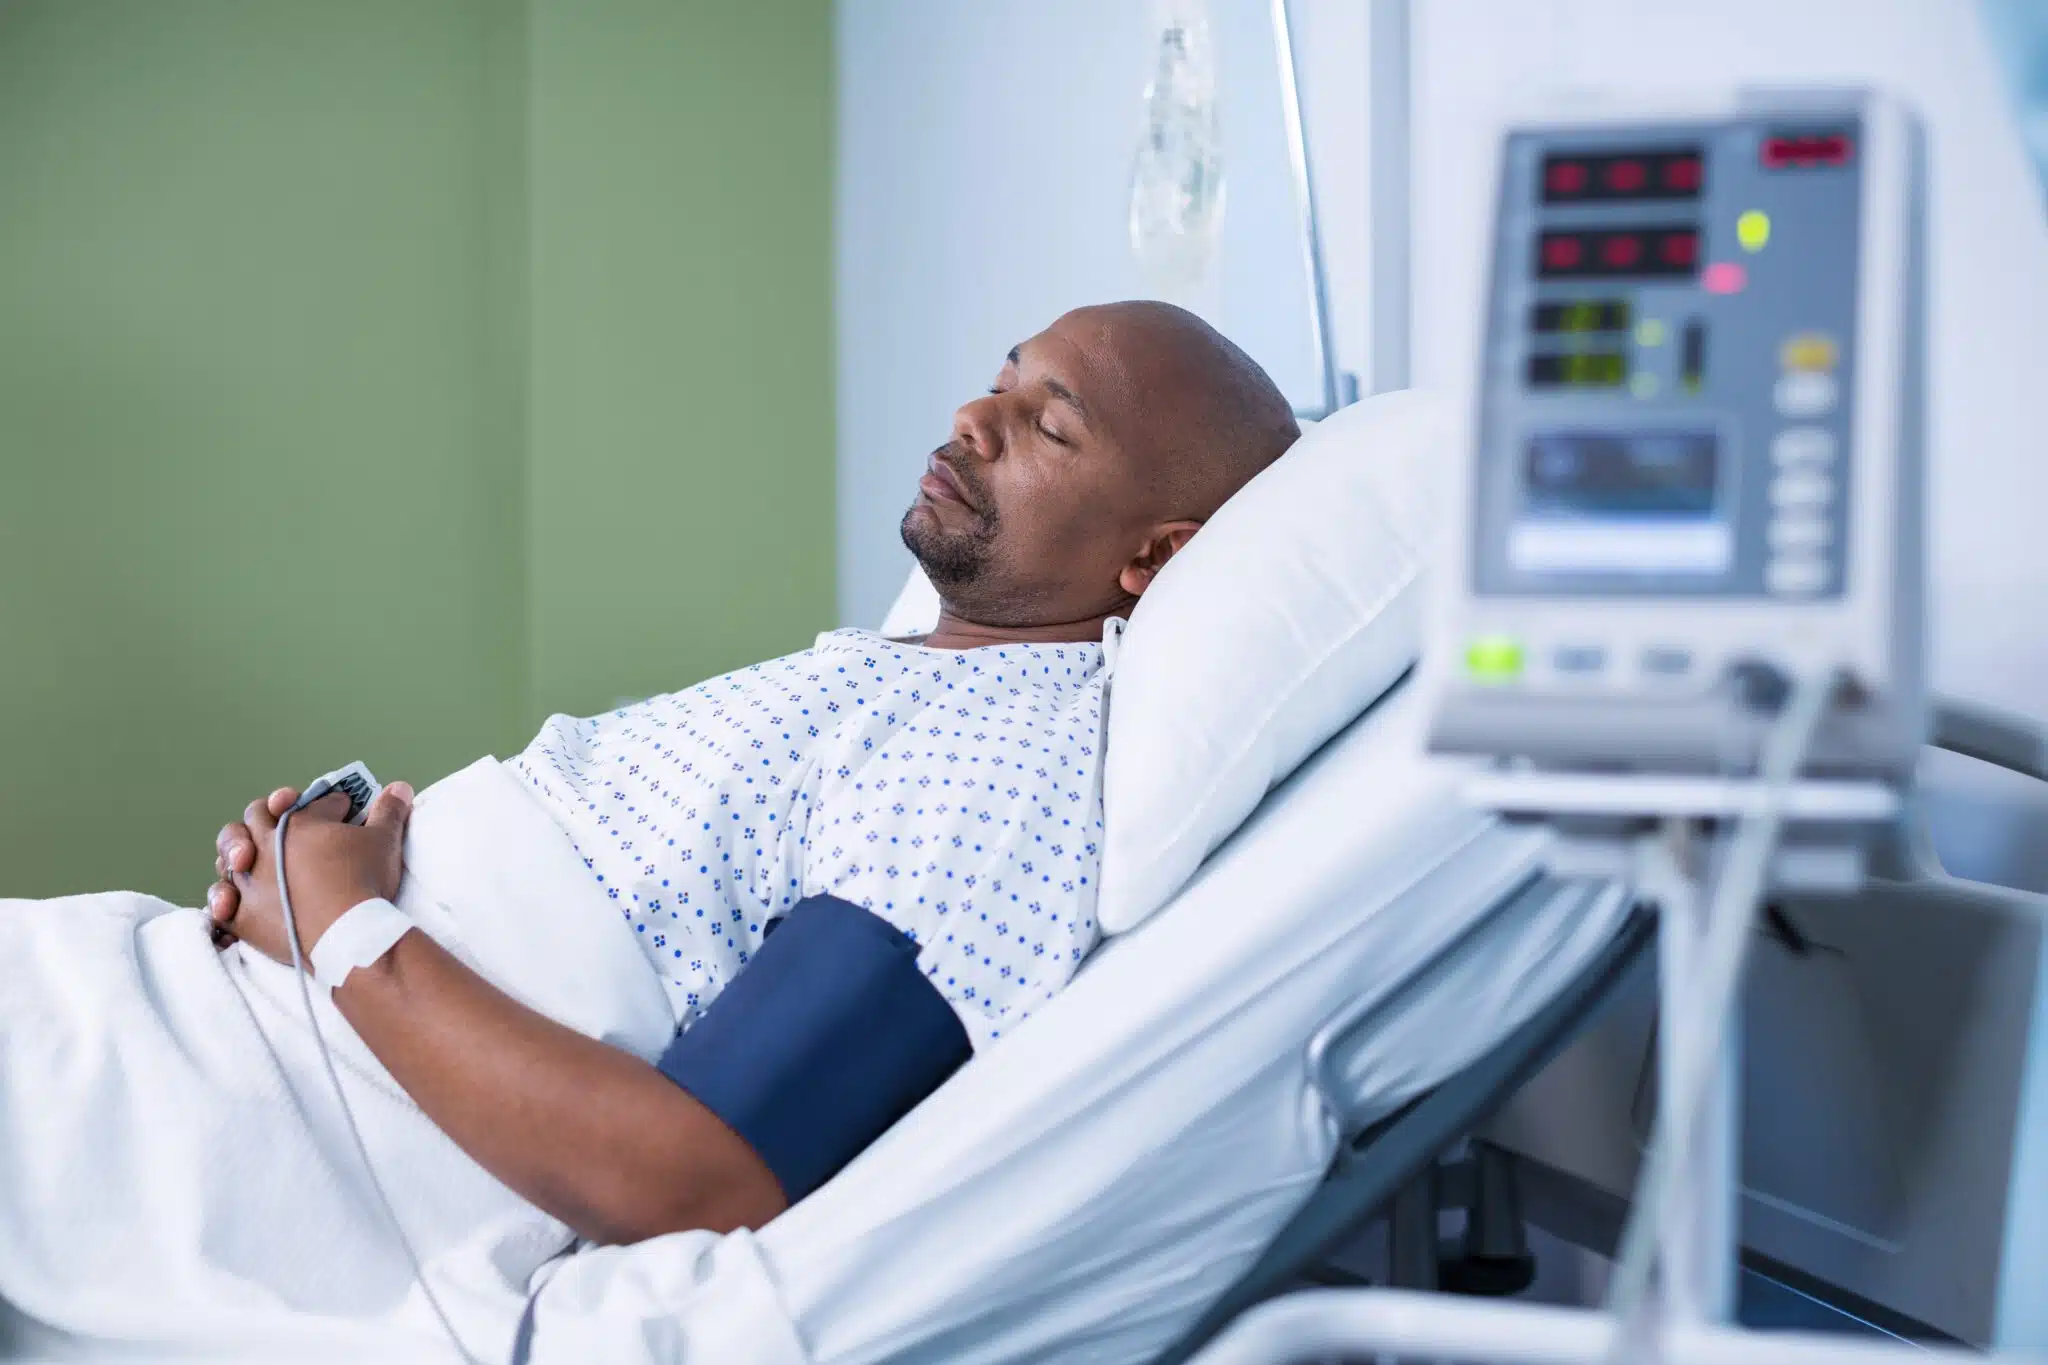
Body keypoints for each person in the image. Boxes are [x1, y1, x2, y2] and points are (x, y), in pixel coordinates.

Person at [158, 301, 1300, 1256]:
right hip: (223, 1011)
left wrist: (342, 919)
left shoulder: (1000, 773)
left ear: (1151, 555)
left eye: (1049, 427)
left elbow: (693, 1178)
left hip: (269, 1098)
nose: (974, 419)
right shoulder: (918, 677)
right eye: (1002, 377)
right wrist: (315, 879)